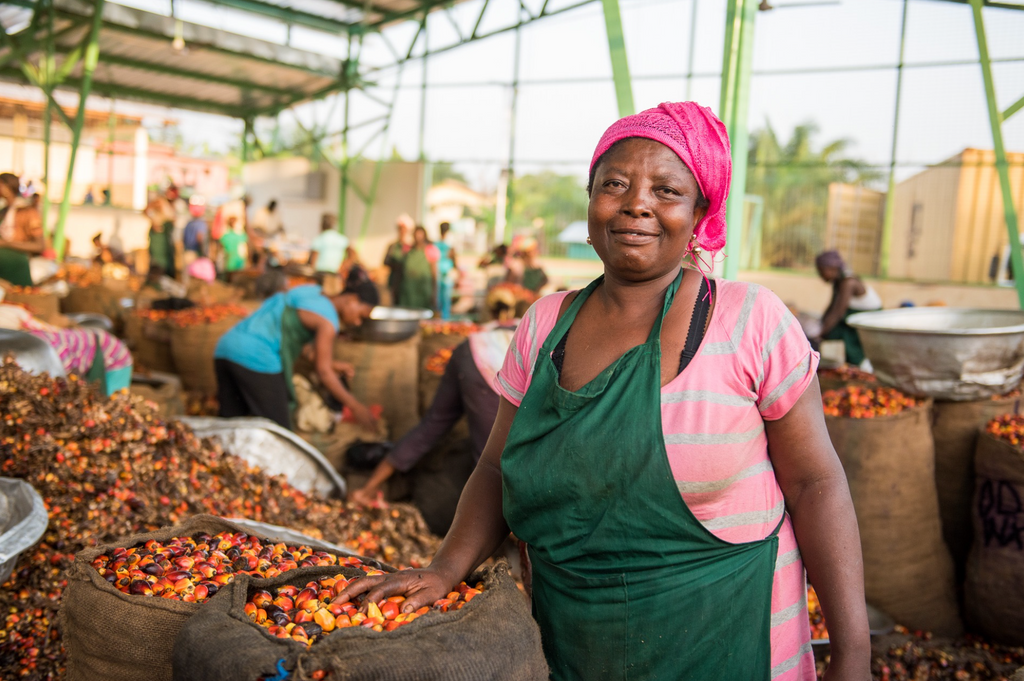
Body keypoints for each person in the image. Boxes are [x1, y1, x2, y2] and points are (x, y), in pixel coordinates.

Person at [338, 102, 870, 681]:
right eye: (614, 183)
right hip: (573, 642)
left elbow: (817, 484)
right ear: (591, 201)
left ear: (700, 212)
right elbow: (495, 468)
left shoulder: (750, 322)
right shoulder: (544, 326)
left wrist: (852, 654)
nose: (637, 202)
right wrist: (446, 568)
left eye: (667, 190)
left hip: (727, 640)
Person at [350, 286, 518, 510]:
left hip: (468, 349)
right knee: (493, 460)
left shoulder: (525, 323)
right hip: (489, 369)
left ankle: (366, 490)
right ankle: (493, 535)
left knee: (431, 425)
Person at [213, 284, 378, 431]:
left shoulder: (312, 291)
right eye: (361, 316)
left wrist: (330, 364)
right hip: (256, 356)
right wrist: (355, 406)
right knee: (279, 432)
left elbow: (294, 337)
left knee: (231, 425)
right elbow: (323, 372)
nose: (357, 322)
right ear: (352, 299)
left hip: (226, 348)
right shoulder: (328, 321)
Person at [814, 250, 882, 367]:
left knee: (845, 337)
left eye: (821, 271)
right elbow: (832, 306)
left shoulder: (848, 282)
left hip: (869, 318)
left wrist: (819, 333)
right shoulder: (838, 281)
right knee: (833, 330)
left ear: (832, 268)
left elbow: (838, 312)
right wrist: (821, 324)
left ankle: (861, 367)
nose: (820, 275)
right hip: (855, 316)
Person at [0, 173, 45, 287]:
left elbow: (39, 246)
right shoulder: (3, 212)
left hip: (17, 268)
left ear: (6, 186)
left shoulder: (27, 212)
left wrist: (6, 244)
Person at [398, 226, 439, 309]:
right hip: (409, 291)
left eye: (420, 235)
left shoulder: (430, 249)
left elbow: (434, 273)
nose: (418, 237)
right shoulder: (408, 250)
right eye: (416, 234)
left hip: (423, 291)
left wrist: (434, 294)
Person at [144, 189, 176, 279]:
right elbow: (146, 211)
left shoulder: (170, 205)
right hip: (158, 236)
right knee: (157, 260)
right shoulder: (159, 202)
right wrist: (154, 222)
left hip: (166, 236)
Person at [383, 215, 414, 305]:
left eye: (404, 229)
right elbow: (385, 261)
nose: (402, 231)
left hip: (407, 282)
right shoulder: (392, 246)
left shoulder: (411, 246)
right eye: (400, 228)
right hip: (395, 281)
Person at [435, 222, 457, 320]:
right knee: (441, 298)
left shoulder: (445, 244)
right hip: (440, 274)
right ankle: (442, 319)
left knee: (442, 298)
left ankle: (443, 319)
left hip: (443, 274)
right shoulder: (448, 245)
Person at [182, 200, 208, 271]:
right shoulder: (201, 224)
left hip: (187, 251)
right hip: (196, 252)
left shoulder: (189, 223)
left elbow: (183, 237)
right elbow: (200, 238)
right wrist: (203, 253)